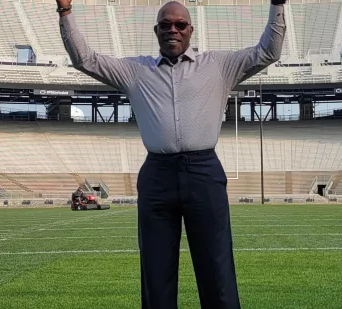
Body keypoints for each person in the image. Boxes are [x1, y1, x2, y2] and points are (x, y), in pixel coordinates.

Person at [56, 0, 286, 308]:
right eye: (165, 25)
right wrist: (65, 11)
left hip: (204, 171)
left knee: (217, 270)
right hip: (157, 175)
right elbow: (84, 59)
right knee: (156, 272)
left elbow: (268, 52)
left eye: (180, 25)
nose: (173, 30)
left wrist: (278, 4)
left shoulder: (218, 66)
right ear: (156, 31)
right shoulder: (135, 71)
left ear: (191, 30)